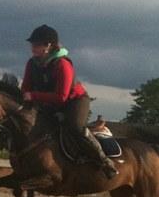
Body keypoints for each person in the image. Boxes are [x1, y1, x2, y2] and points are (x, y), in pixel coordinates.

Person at [21, 25, 117, 178]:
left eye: (36, 44)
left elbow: (61, 97)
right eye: (32, 44)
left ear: (48, 46)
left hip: (74, 102)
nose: (32, 47)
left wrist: (33, 96)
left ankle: (104, 161)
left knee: (75, 127)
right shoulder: (32, 64)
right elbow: (25, 89)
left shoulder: (62, 64)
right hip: (49, 103)